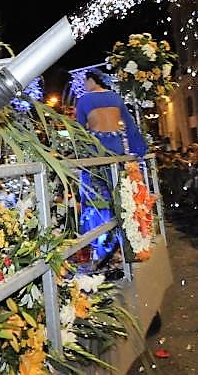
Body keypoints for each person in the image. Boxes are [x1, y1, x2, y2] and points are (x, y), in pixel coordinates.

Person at [74, 69, 148, 261]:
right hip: (116, 147)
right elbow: (131, 126)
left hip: (97, 149)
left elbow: (79, 130)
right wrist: (138, 150)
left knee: (96, 197)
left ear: (92, 80)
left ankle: (101, 246)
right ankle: (126, 242)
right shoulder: (116, 97)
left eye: (85, 81)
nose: (84, 85)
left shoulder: (84, 100)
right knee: (121, 194)